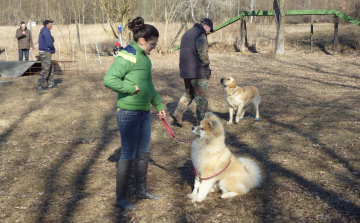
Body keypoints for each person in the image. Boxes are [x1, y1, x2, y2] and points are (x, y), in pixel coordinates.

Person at [104, 17, 166, 210]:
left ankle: (141, 190)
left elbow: (149, 85)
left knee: (143, 153)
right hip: (128, 114)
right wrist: (131, 88)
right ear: (142, 41)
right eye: (153, 44)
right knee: (128, 154)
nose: (154, 47)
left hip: (144, 113)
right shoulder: (126, 56)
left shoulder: (145, 59)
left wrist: (159, 104)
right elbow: (109, 79)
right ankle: (121, 198)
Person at [171, 18, 214, 127]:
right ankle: (202, 124)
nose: (208, 33)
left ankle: (178, 113)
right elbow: (203, 54)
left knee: (189, 93)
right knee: (202, 98)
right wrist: (207, 65)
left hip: (185, 69)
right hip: (196, 71)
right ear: (207, 27)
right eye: (210, 30)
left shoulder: (187, 33)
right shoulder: (201, 35)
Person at [36, 20, 56, 91]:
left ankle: (51, 85)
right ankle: (39, 85)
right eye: (50, 24)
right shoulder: (46, 31)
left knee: (50, 68)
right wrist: (53, 49)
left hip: (45, 51)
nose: (51, 25)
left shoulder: (45, 31)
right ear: (46, 25)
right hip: (45, 52)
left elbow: (50, 39)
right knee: (46, 69)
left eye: (51, 24)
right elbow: (49, 43)